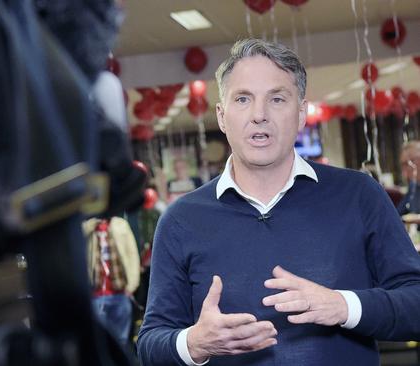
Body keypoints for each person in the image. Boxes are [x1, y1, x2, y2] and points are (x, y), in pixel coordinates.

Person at [137, 38, 420, 366]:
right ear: (222, 116)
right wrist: (194, 343)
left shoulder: (359, 195)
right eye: (243, 99)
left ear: (300, 114)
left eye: (277, 99)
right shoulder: (181, 218)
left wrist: (344, 306)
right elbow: (150, 344)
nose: (259, 115)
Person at [84, 216, 141, 347]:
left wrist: (131, 286)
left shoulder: (120, 224)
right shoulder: (89, 227)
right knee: (98, 341)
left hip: (120, 293)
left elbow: (132, 253)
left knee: (121, 339)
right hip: (96, 295)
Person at [397, 141, 420, 215]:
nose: (404, 173)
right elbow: (398, 214)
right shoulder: (414, 186)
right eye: (403, 165)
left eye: (407, 164)